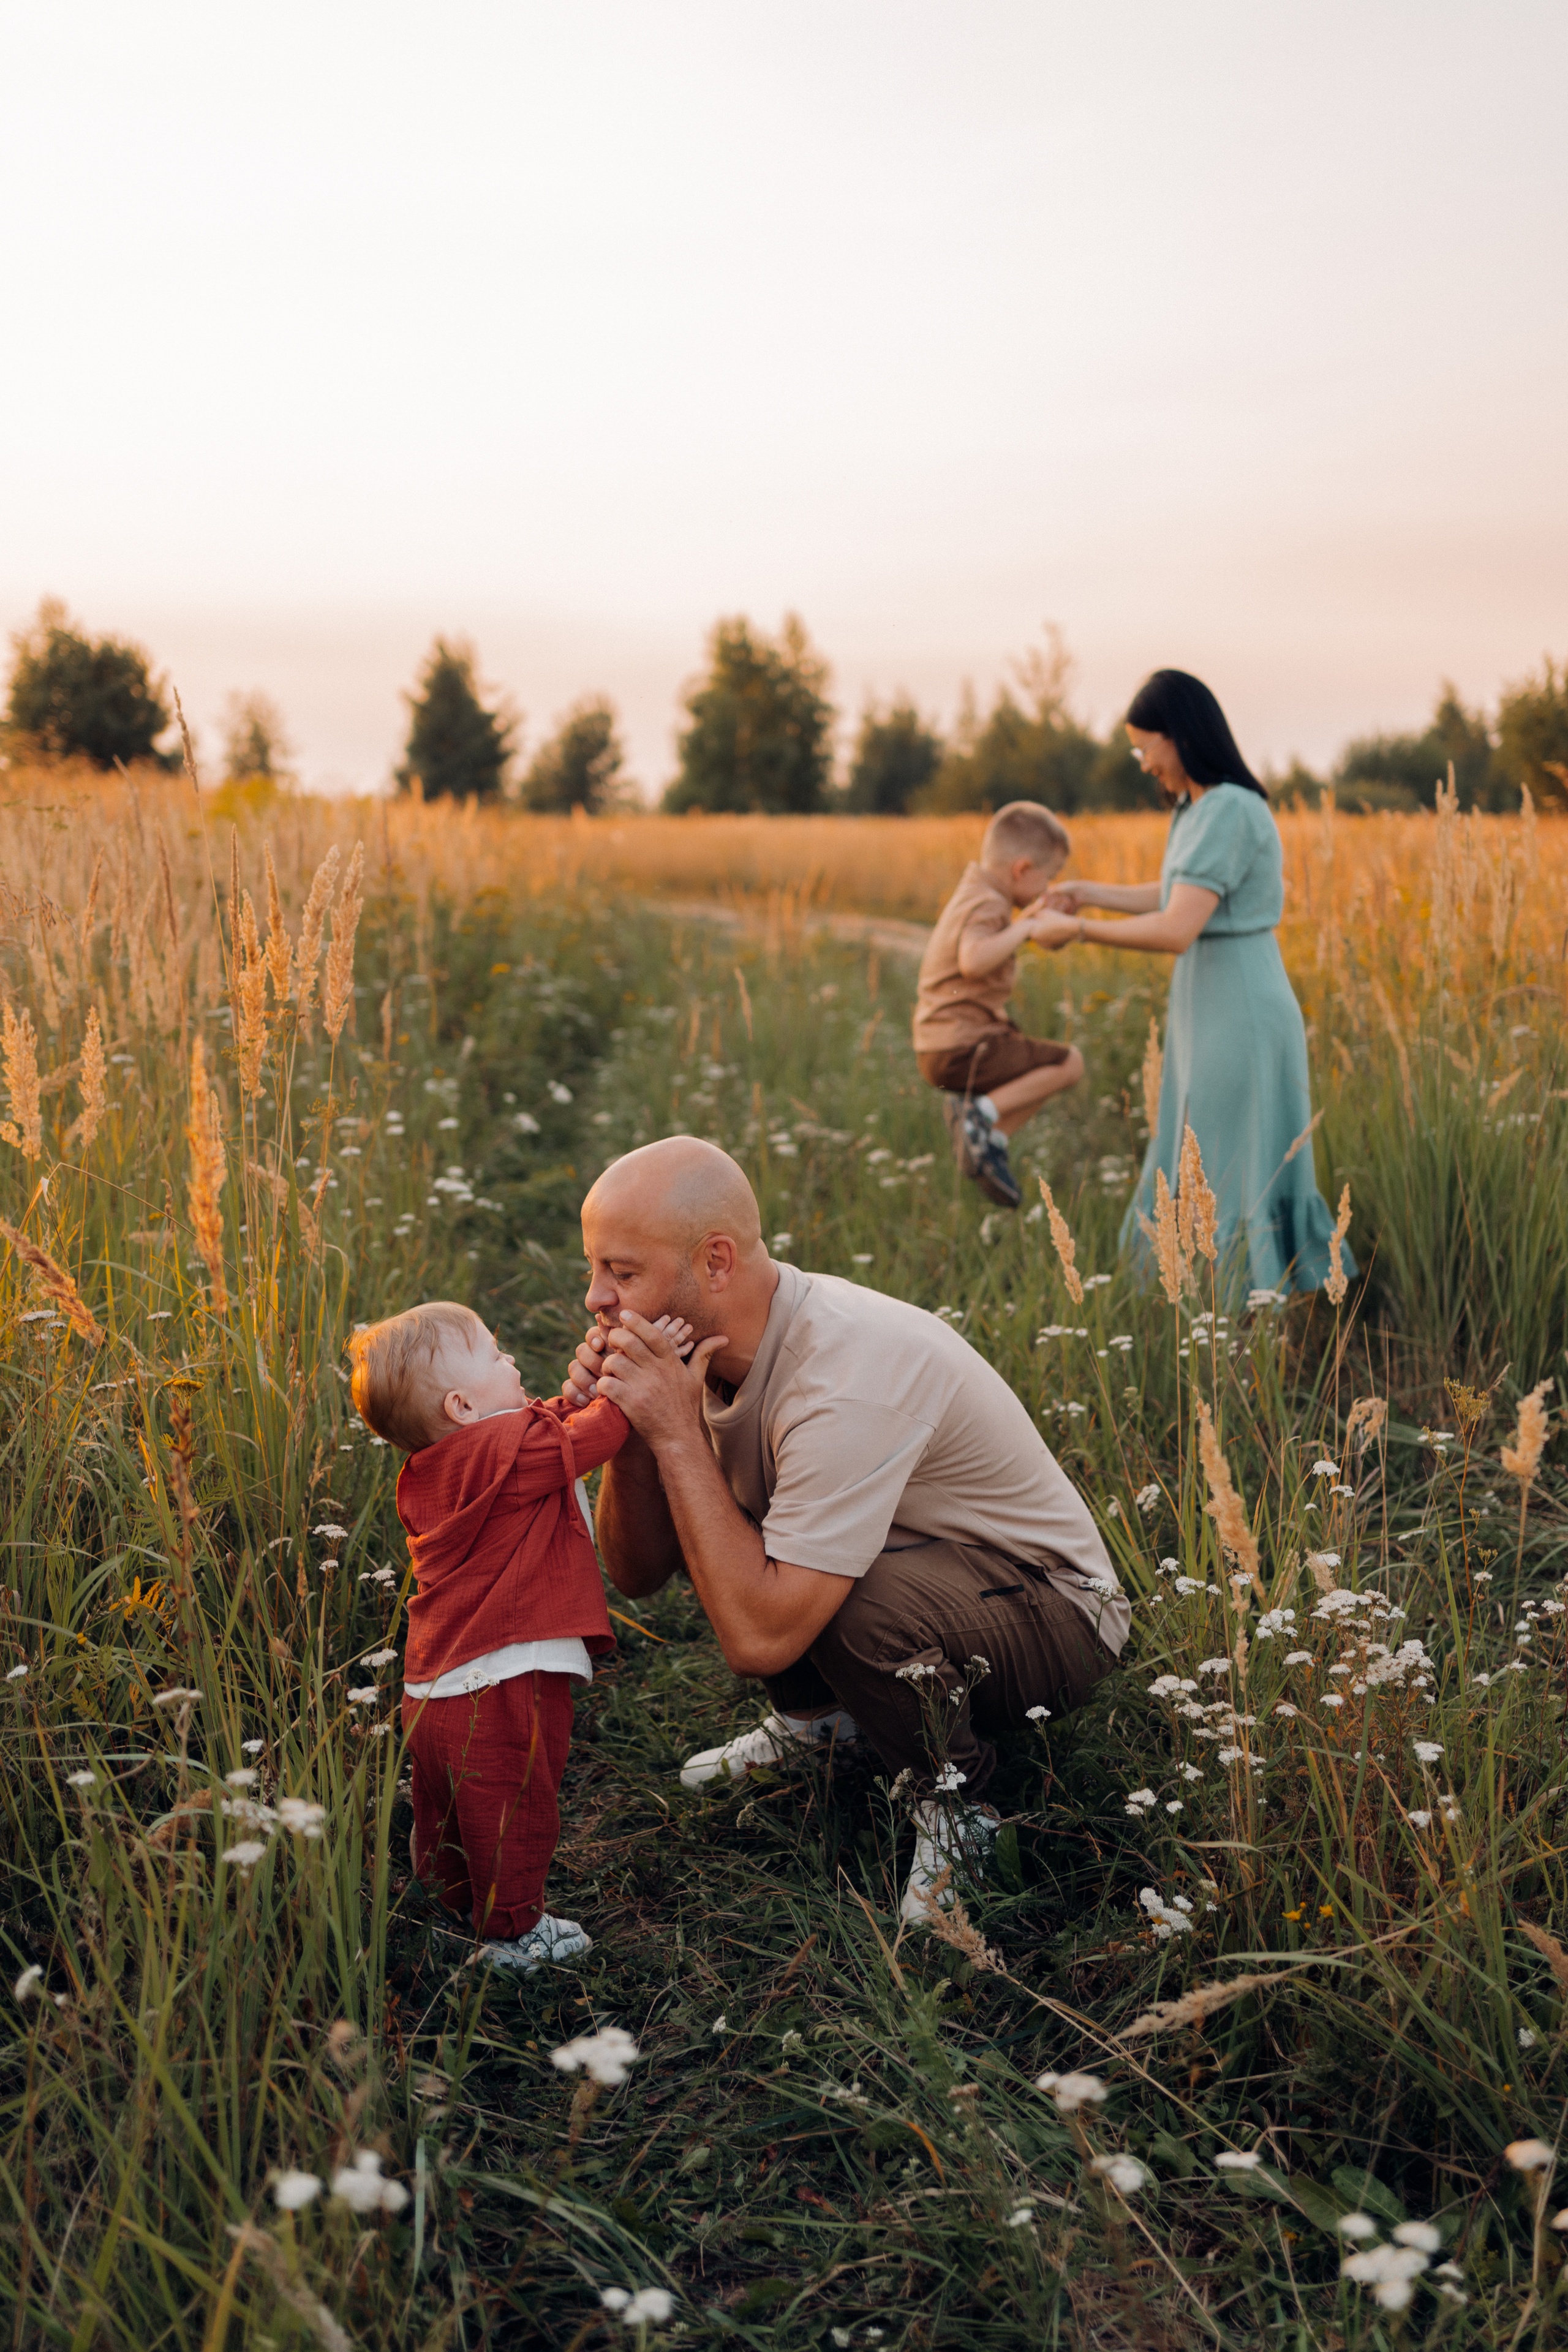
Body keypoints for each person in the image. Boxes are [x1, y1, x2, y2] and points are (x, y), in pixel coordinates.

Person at [560, 1137, 1129, 1924]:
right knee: (722, 1515)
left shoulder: (844, 1376)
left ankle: (957, 1809)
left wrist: (677, 1437)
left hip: (1058, 1616)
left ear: (716, 1262)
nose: (595, 1298)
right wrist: (633, 1435)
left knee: (843, 1598)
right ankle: (820, 1724)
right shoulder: (705, 1351)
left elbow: (758, 1640)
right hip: (931, 1571)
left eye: (621, 1273)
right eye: (595, 1270)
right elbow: (638, 1573)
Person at [349, 1298, 684, 1973]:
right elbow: (593, 1438)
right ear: (462, 1408)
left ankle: (448, 1896)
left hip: (432, 1684)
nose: (512, 1361)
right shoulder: (507, 1451)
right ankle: (513, 1933)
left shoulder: (436, 1469)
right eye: (496, 1357)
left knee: (445, 1805)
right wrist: (640, 1378)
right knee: (516, 1803)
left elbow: (545, 1425)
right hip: (502, 1680)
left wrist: (579, 1394)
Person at [1032, 669, 1349, 1297]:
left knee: (1228, 1165)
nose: (1142, 762)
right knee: (1196, 1151)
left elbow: (1178, 926)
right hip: (1205, 1006)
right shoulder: (1195, 808)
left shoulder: (1231, 807)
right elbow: (1179, 892)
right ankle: (1214, 1316)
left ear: (1177, 737)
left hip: (1241, 1007)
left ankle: (1243, 1326)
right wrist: (1084, 892)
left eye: (1144, 745)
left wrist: (1082, 932)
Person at [911, 799, 1085, 1209]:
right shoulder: (990, 904)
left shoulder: (977, 892)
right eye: (1050, 878)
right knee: (1068, 1063)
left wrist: (1032, 918)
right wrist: (1025, 926)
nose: (1049, 887)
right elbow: (973, 961)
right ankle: (978, 1119)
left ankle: (989, 1141)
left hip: (941, 1047)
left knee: (1034, 1057)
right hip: (960, 1047)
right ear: (1022, 870)